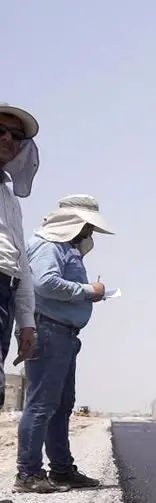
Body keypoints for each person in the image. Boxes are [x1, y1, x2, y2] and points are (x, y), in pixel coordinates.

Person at [14, 194, 114, 493]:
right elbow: (45, 283)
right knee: (41, 404)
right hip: (48, 330)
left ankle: (61, 470)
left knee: (61, 405)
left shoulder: (64, 247)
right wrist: (89, 290)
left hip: (63, 333)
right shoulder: (49, 245)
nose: (90, 232)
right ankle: (28, 473)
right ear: (75, 222)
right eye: (88, 226)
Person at [0, 102, 39, 409]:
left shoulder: (10, 200)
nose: (7, 139)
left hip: (6, 296)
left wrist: (26, 321)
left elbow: (20, 264)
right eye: (0, 130)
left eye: (15, 135)